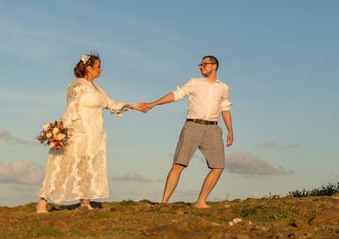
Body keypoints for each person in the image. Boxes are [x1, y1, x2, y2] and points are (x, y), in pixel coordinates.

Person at [36, 53, 135, 213]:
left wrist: (135, 106)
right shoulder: (77, 85)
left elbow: (112, 104)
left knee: (85, 166)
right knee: (62, 166)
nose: (101, 69)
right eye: (98, 66)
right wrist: (62, 129)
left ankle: (85, 202)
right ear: (88, 68)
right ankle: (42, 201)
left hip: (94, 134)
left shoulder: (98, 89)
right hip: (78, 131)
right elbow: (72, 106)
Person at [137, 55, 233, 208]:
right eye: (200, 65)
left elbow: (225, 108)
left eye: (205, 64)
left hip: (213, 129)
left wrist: (230, 130)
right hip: (192, 126)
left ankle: (201, 202)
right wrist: (153, 103)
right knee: (179, 164)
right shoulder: (194, 82)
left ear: (214, 66)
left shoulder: (224, 88)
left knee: (218, 166)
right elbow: (176, 95)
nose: (201, 67)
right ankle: (164, 202)